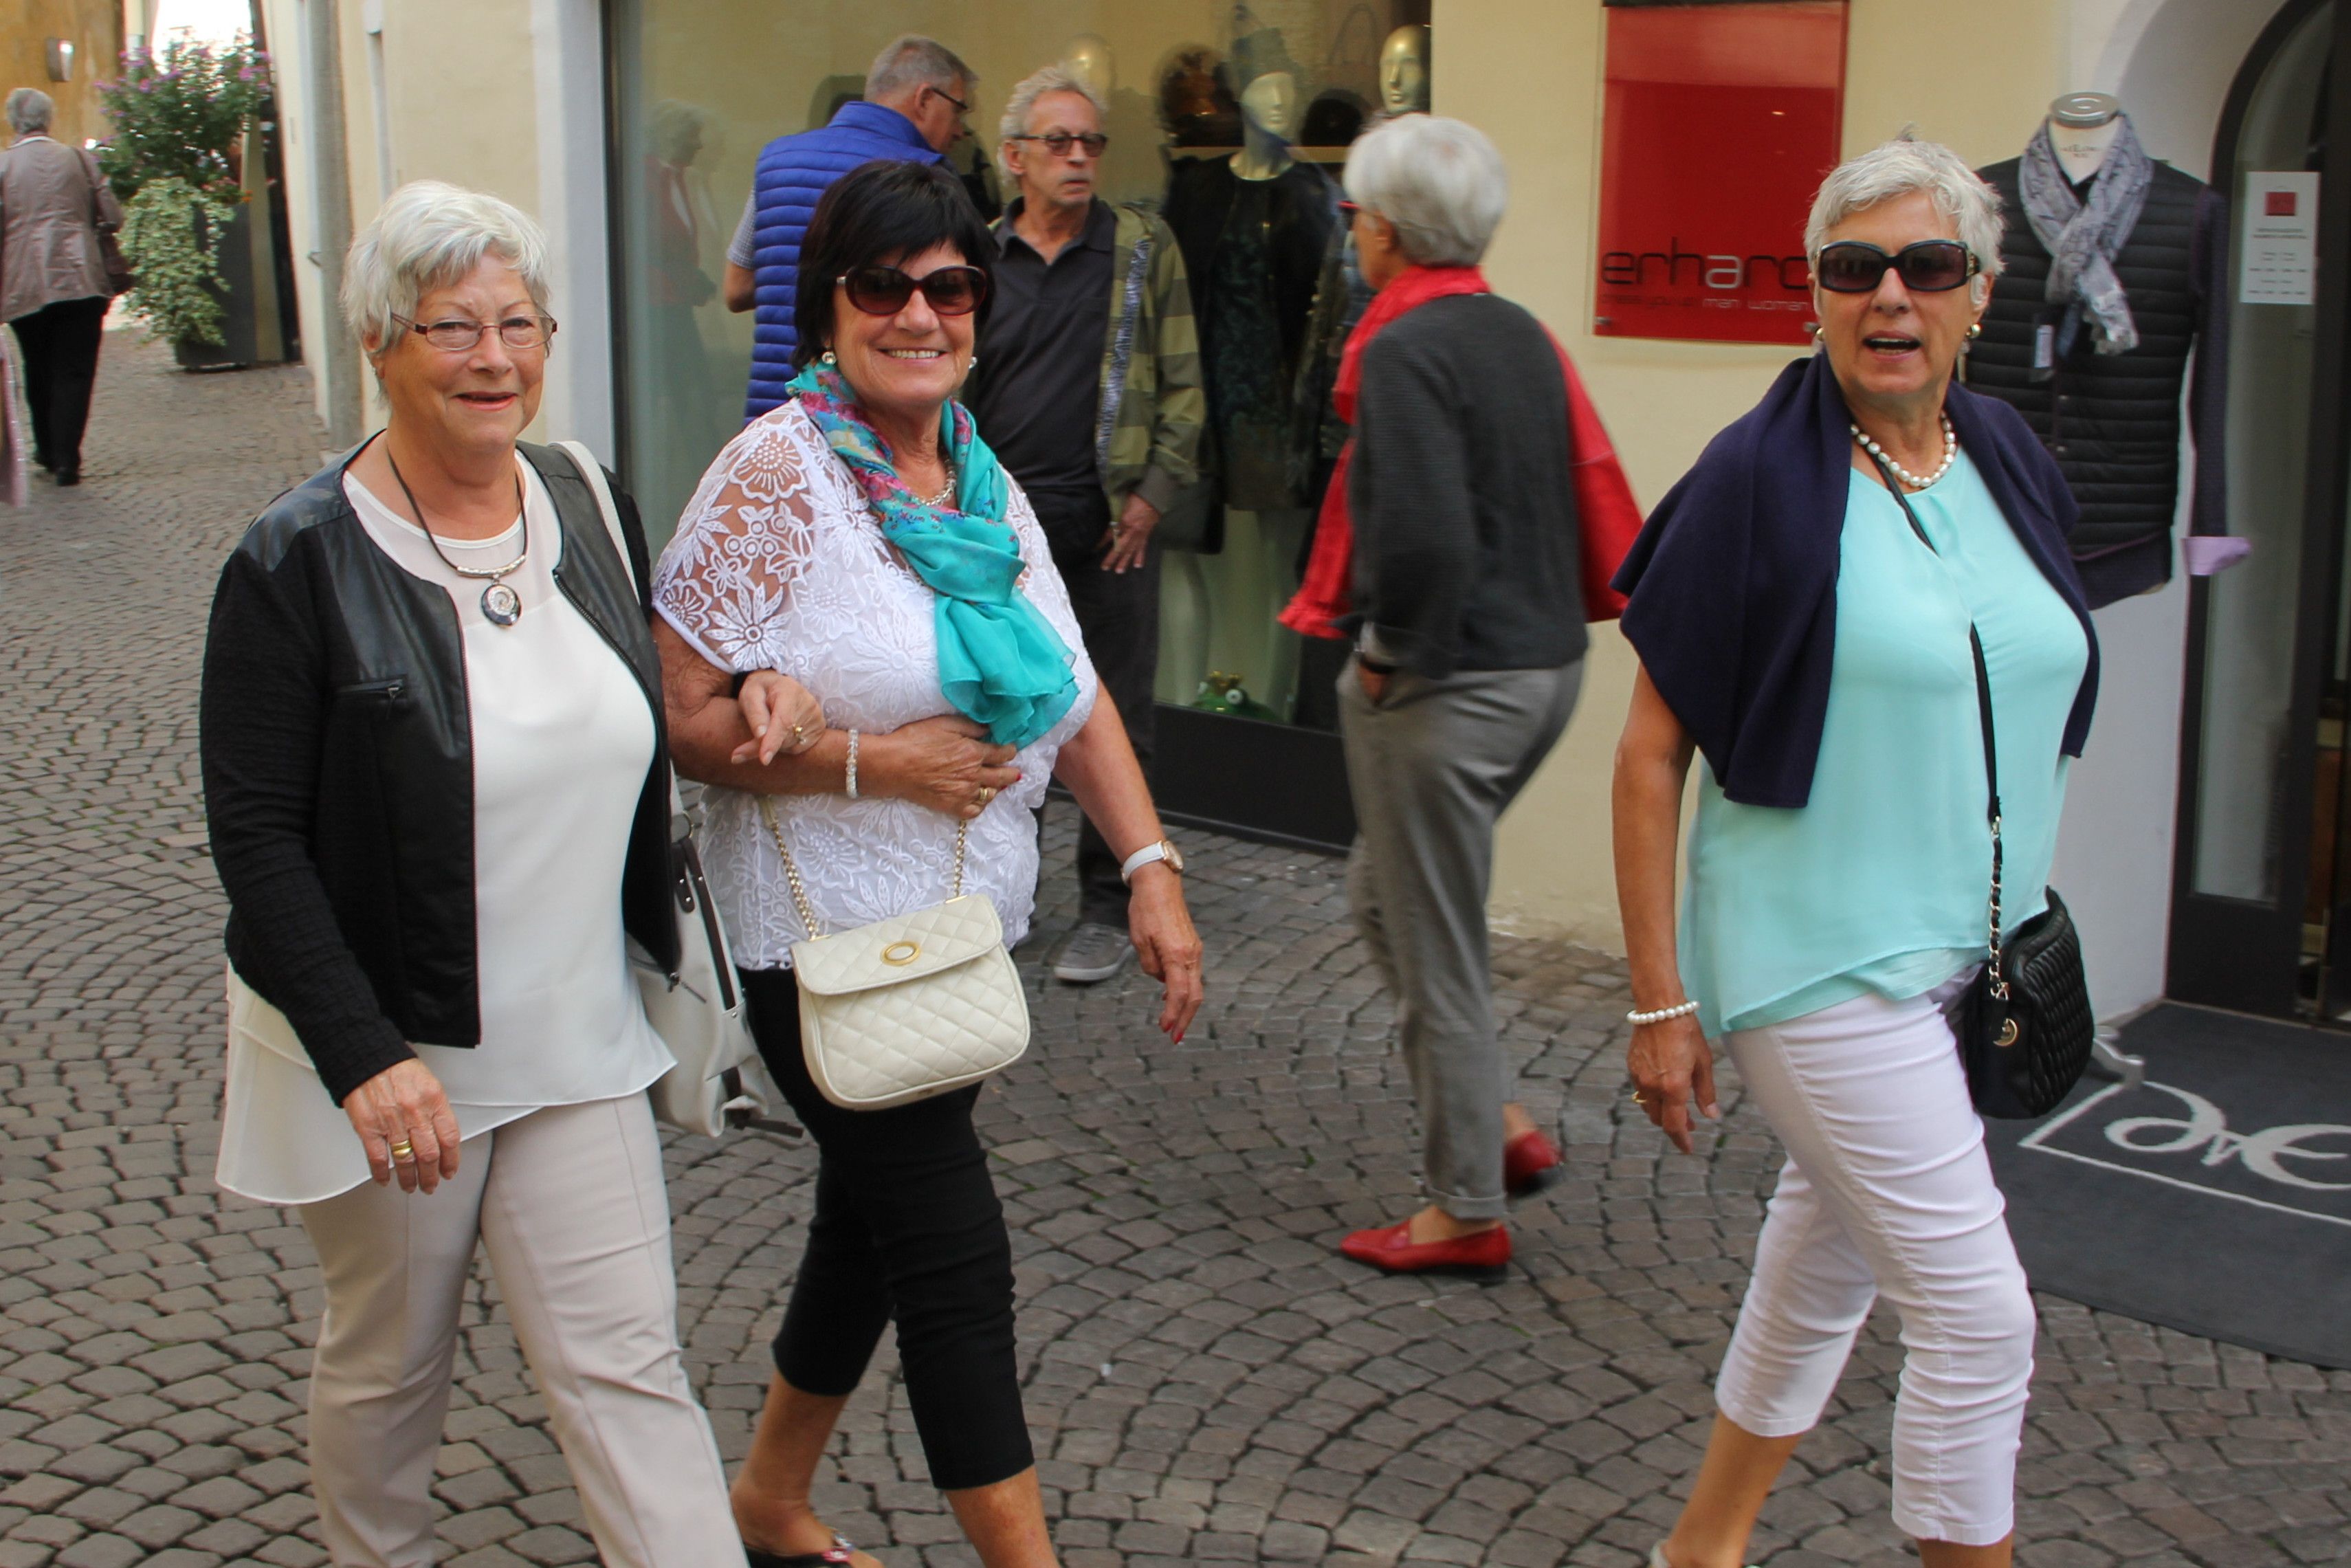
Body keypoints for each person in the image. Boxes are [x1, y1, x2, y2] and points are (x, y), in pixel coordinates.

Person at [200, 180, 817, 1568]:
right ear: (381, 345)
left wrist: (752, 682)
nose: (495, 359)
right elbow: (258, 840)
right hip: (397, 1060)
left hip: (580, 1038)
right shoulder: (295, 559)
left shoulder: (583, 497)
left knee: (627, 1370)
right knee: (389, 1368)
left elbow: (650, 684)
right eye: (452, 328)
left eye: (518, 323)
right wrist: (364, 1054)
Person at [654, 159, 1206, 1568]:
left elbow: (1071, 690)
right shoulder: (774, 476)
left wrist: (1148, 863)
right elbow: (680, 714)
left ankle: (770, 1501)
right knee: (954, 1252)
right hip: (813, 946)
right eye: (882, 285)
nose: (918, 313)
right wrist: (876, 761)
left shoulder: (977, 474)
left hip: (949, 941)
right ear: (826, 306)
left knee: (869, 1222)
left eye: (948, 286)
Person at [1611, 135, 2099, 1568]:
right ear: (1814, 295)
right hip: (1818, 956)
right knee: (1979, 1319)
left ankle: (1699, 1548)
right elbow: (1648, 757)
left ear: (1979, 294)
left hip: (1965, 952)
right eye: (1855, 268)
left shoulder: (2002, 455)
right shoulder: (1756, 479)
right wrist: (1658, 1000)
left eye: (1928, 266)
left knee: (1820, 1269)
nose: (1892, 296)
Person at [1307, 116, 1601, 1277]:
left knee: (1433, 944)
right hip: (1544, 670)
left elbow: (1425, 536)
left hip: (1451, 685)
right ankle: (1496, 1121)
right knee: (1384, 898)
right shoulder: (1516, 328)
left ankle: (1466, 1207)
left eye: (1356, 215)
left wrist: (1388, 654)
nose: (1352, 233)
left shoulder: (1402, 347)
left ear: (1385, 228)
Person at [967, 65, 1203, 984]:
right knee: (1001, 711)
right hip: (1000, 535)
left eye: (1091, 142)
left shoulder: (1141, 248)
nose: (1078, 157)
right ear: (1014, 155)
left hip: (1111, 528)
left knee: (1118, 719)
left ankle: (1110, 905)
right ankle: (1004, 894)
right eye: (1059, 142)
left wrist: (1153, 495)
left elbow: (1185, 383)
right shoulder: (979, 257)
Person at [724, 35, 975, 418]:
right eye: (958, 110)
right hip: (869, 419)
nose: (960, 130)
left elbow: (737, 289)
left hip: (773, 412)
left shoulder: (776, 161)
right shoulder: (926, 176)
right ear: (925, 99)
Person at [1, 87, 122, 487]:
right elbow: (113, 215)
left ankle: (48, 449)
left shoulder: (4, 166)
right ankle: (68, 457)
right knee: (75, 369)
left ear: (13, 121)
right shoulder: (79, 159)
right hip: (81, 275)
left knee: (37, 364)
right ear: (48, 119)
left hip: (25, 281)